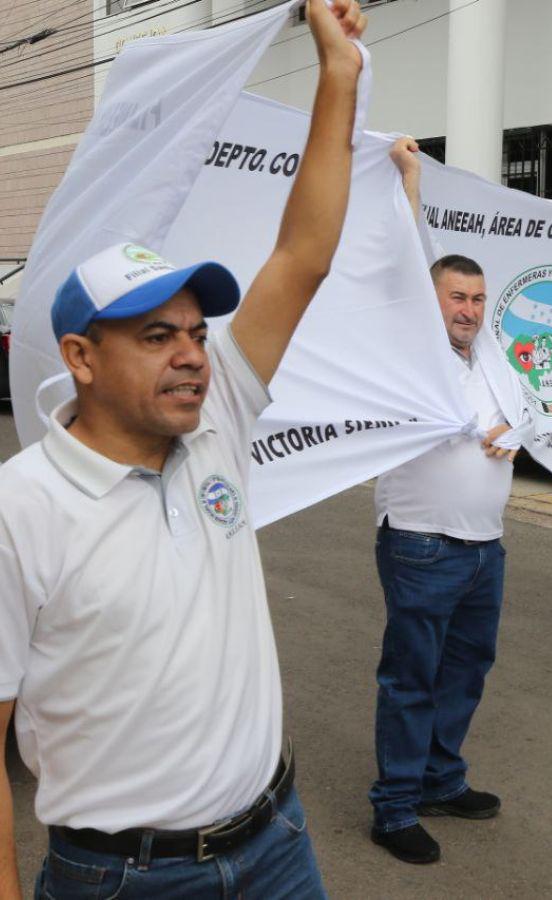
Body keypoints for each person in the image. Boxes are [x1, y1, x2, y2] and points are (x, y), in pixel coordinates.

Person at [0, 3, 366, 896]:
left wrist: (338, 75)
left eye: (199, 333)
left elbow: (305, 254)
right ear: (81, 358)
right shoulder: (21, 506)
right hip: (125, 879)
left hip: (278, 845)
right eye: (157, 336)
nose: (194, 356)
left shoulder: (218, 423)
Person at [366, 138, 530, 865]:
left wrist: (516, 430)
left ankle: (440, 778)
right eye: (457, 298)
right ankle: (394, 807)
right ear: (430, 301)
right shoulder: (410, 347)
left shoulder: (487, 354)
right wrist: (409, 178)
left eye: (477, 300)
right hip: (421, 543)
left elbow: (522, 415)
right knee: (412, 680)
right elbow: (406, 255)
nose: (469, 310)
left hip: (484, 547)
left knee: (465, 672)